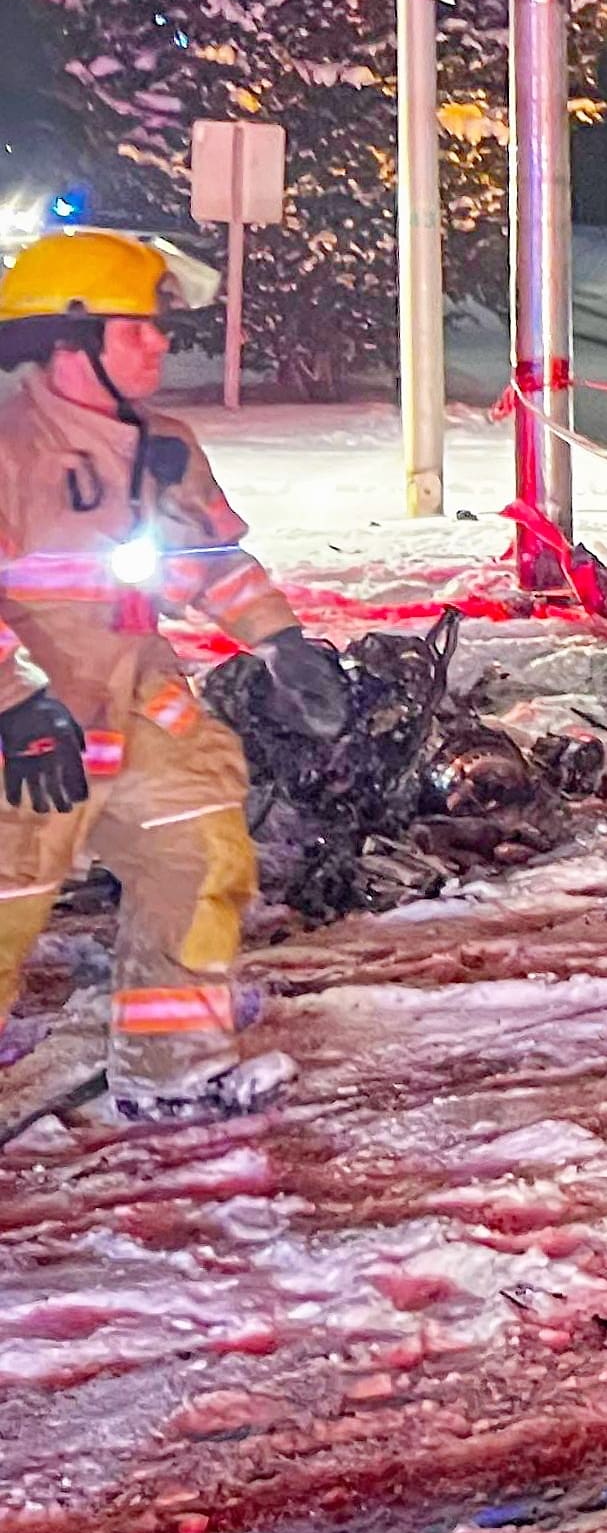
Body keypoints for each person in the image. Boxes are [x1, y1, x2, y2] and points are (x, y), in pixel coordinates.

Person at [0, 230, 344, 1121]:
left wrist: (280, 640)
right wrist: (17, 707)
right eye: (137, 328)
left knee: (201, 849)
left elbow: (209, 560)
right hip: (29, 713)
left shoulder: (166, 445)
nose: (161, 342)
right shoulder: (6, 447)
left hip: (136, 692)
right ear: (68, 342)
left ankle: (173, 1070)